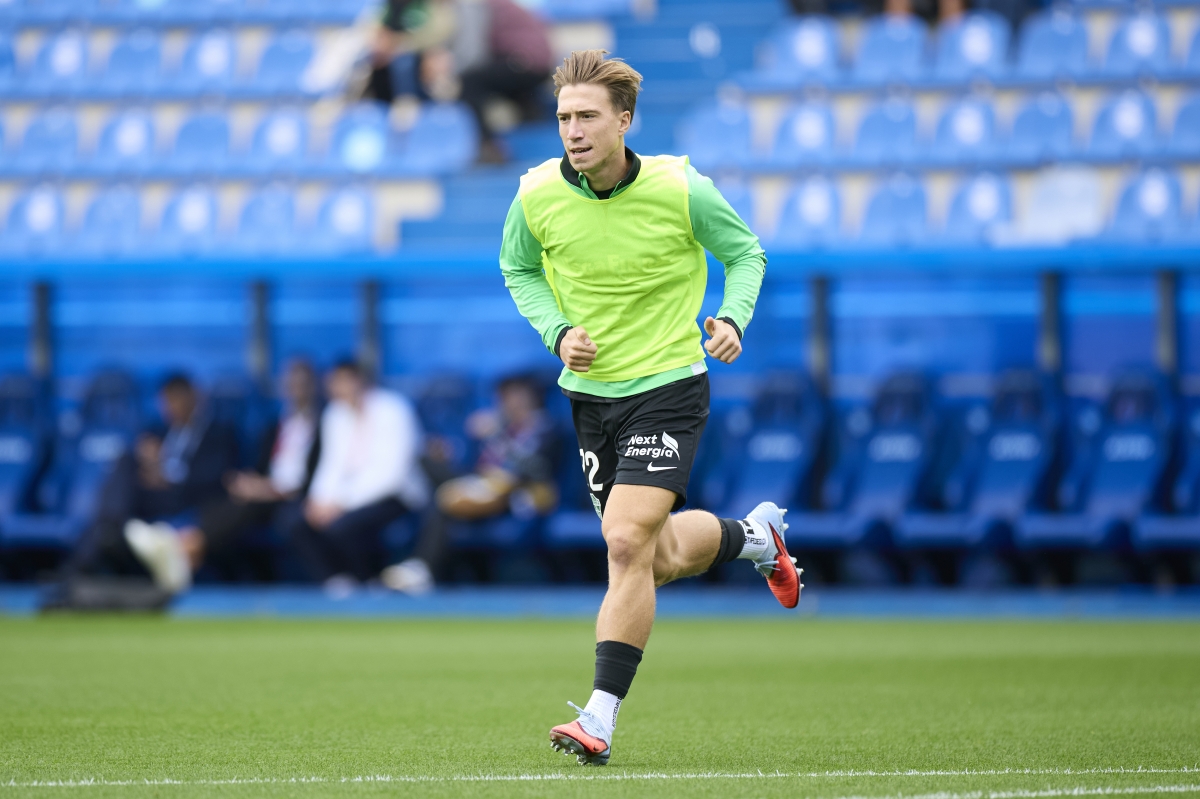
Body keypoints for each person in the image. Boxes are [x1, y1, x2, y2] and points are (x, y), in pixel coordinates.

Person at [498, 49, 802, 767]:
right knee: (654, 554)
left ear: (624, 121)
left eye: (588, 116)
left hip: (668, 385)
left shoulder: (680, 187)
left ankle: (598, 717)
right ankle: (755, 537)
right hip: (591, 401)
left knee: (625, 542)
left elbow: (747, 253)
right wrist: (557, 330)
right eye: (564, 116)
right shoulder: (536, 194)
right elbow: (516, 267)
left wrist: (732, 317)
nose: (573, 130)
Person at [123, 359, 323, 587]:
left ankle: (181, 549)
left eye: (301, 384)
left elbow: (317, 475)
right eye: (290, 384)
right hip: (267, 490)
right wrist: (254, 483)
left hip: (296, 495)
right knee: (236, 496)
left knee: (246, 503)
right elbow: (262, 468)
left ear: (314, 386)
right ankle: (182, 547)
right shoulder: (275, 426)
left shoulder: (323, 424)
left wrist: (274, 489)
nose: (294, 390)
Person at [382, 373, 560, 594]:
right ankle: (421, 568)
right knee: (431, 470)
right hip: (479, 487)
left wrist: (497, 434)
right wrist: (451, 451)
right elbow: (475, 464)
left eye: (517, 395)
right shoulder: (499, 426)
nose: (511, 402)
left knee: (445, 499)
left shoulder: (544, 428)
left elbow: (532, 469)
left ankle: (422, 567)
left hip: (515, 497)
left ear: (532, 397)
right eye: (505, 396)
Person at [60, 373, 239, 591]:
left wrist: (167, 475)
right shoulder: (158, 431)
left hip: (188, 500)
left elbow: (215, 478)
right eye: (167, 401)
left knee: (108, 521)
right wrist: (151, 466)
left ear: (194, 398)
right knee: (126, 462)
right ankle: (110, 526)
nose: (172, 407)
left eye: (177, 399)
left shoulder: (220, 433)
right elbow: (144, 469)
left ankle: (84, 559)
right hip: (152, 499)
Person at [284, 360, 427, 592]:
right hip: (344, 498)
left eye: (339, 382)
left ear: (358, 380)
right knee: (295, 521)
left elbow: (391, 474)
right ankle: (338, 583)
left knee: (343, 527)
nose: (333, 389)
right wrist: (319, 500)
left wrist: (341, 502)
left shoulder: (393, 409)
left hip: (396, 496)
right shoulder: (334, 413)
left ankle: (371, 582)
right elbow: (330, 464)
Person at [365, 0, 553, 163]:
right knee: (487, 78)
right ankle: (527, 115)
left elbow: (473, 55)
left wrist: (447, 69)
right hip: (531, 62)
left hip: (525, 62)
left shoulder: (472, 7)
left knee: (470, 83)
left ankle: (486, 145)